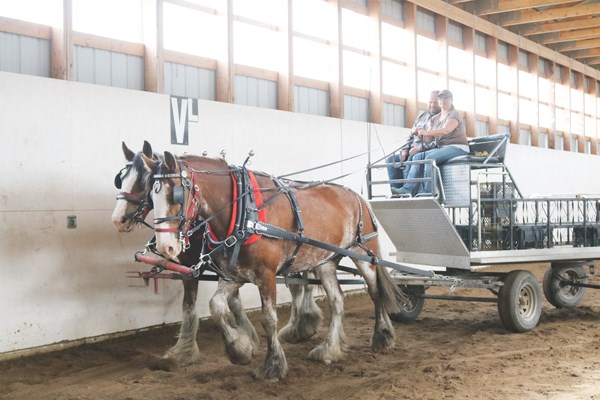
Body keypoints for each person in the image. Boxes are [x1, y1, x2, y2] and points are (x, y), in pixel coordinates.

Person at [395, 89, 468, 197]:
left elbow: (446, 130)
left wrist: (427, 132)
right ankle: (408, 189)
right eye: (441, 99)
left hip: (456, 147)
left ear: (451, 100)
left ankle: (428, 192)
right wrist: (419, 133)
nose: (443, 101)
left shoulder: (454, 115)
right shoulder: (434, 119)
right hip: (441, 148)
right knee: (417, 157)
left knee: (429, 159)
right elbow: (429, 139)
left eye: (446, 98)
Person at [386, 91, 441, 193]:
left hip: (427, 150)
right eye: (430, 102)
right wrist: (405, 150)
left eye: (435, 102)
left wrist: (420, 148)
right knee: (391, 160)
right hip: (412, 150)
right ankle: (397, 192)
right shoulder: (421, 117)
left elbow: (439, 142)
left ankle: (409, 191)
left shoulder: (442, 118)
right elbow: (410, 136)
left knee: (413, 158)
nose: (432, 105)